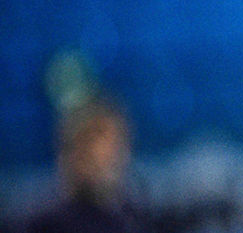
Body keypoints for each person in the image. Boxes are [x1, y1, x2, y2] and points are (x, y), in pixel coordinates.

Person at [24, 98, 155, 233]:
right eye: (88, 145)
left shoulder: (138, 218)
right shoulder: (47, 224)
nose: (102, 154)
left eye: (113, 145)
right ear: (68, 154)